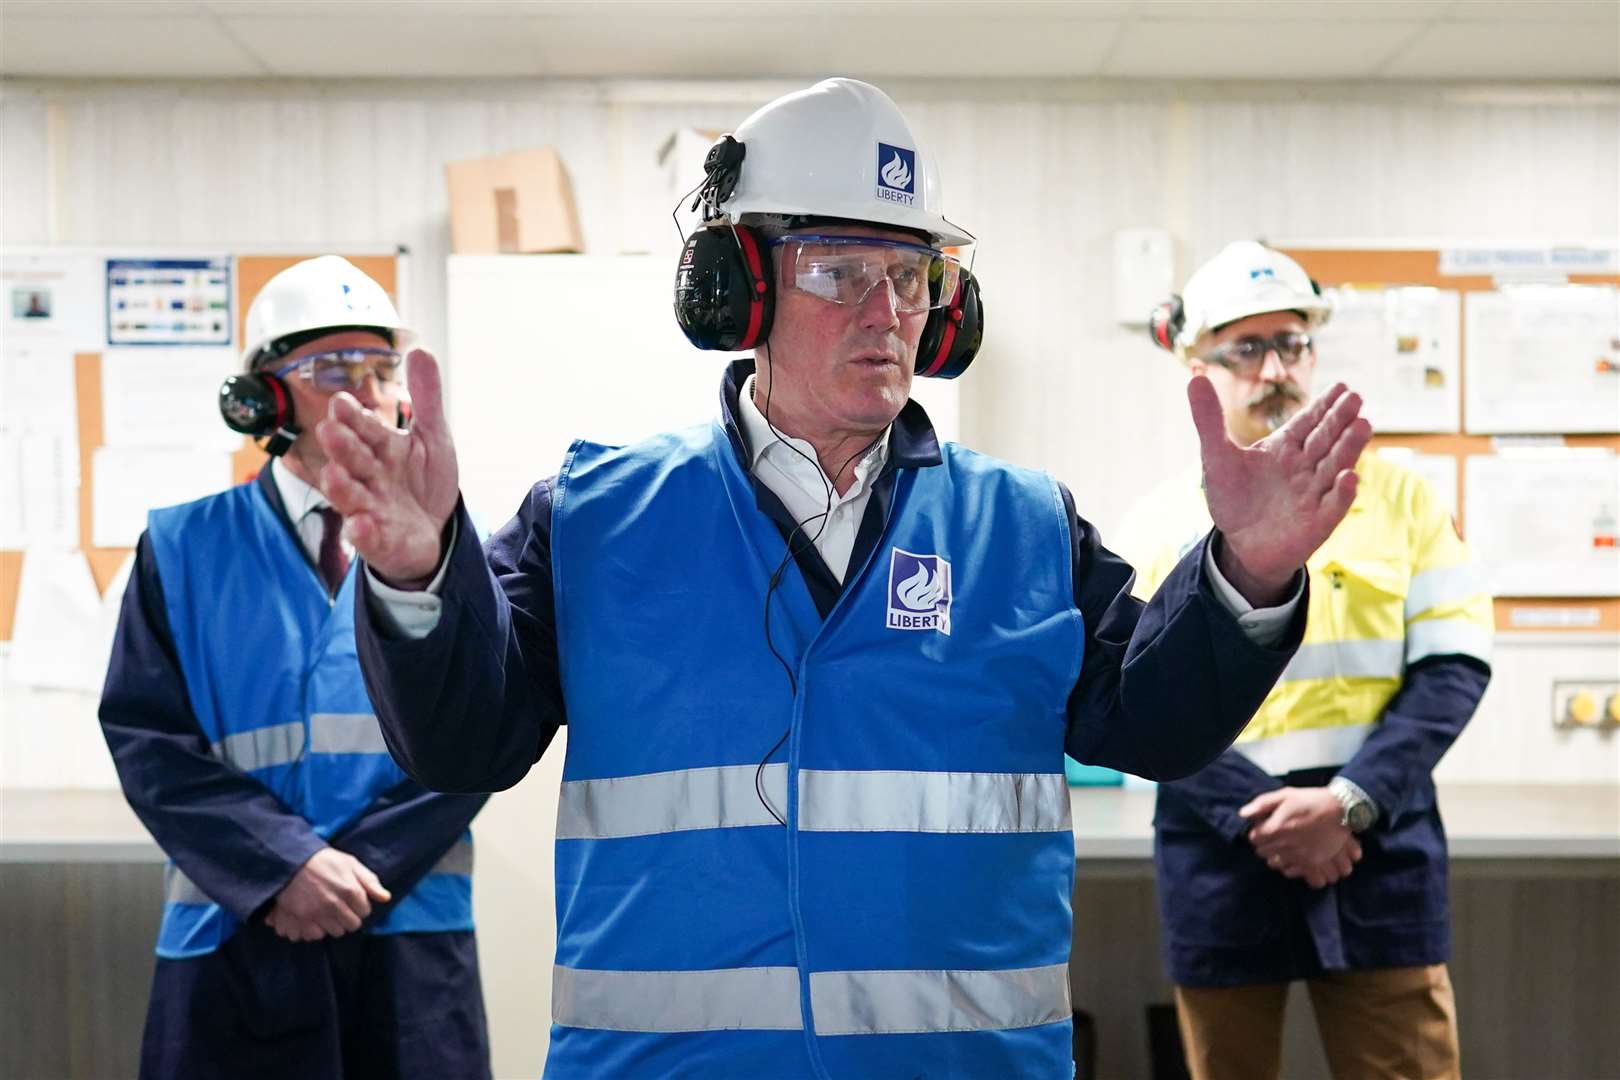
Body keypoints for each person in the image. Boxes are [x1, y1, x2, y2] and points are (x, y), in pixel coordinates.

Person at [322, 80, 1368, 1079]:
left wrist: (1248, 573)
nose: (887, 312)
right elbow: (467, 740)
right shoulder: (595, 515)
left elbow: (1155, 730)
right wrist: (421, 573)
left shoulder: (1024, 526)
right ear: (738, 287)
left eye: (909, 276)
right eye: (839, 271)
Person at [98, 256, 491, 1080]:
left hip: (407, 932)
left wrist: (353, 877)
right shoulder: (182, 548)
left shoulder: (445, 539)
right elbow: (148, 740)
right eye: (329, 371)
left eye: (380, 369)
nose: (365, 394)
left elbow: (479, 728)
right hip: (234, 933)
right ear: (264, 401)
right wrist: (283, 869)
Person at [1116, 241, 1494, 1080]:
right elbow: (1133, 699)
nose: (1274, 369)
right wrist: (1273, 818)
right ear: (1195, 364)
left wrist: (1347, 804)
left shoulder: (1395, 496)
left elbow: (1453, 666)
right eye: (1245, 348)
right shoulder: (1153, 524)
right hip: (1225, 856)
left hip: (1374, 849)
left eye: (1291, 343)